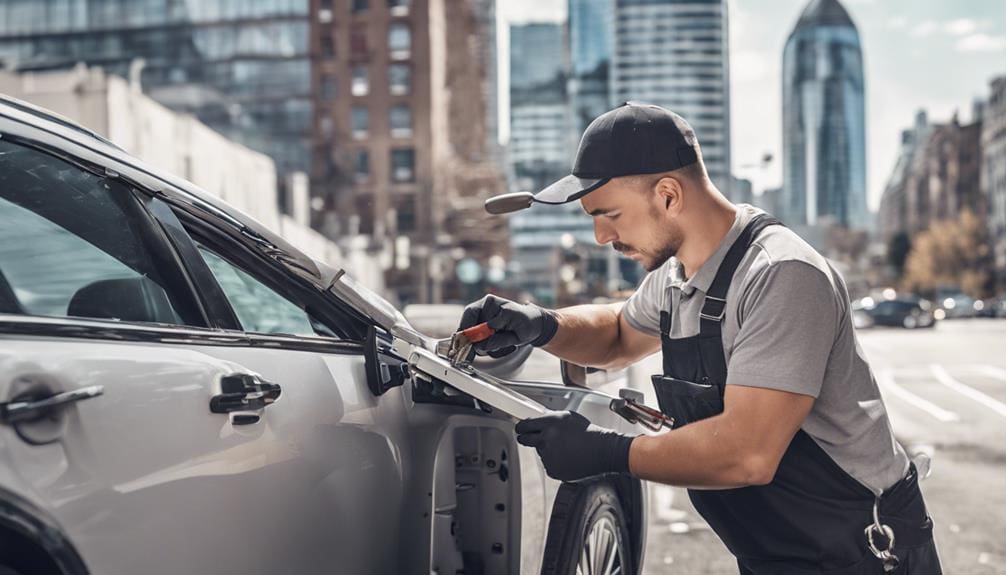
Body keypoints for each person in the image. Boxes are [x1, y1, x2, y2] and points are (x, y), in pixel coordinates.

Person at [458, 102, 942, 573]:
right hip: (778, 555)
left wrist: (607, 451)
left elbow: (747, 454)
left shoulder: (780, 274)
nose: (602, 237)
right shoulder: (680, 276)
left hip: (863, 555)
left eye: (609, 214)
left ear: (668, 194)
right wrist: (540, 325)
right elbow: (621, 333)